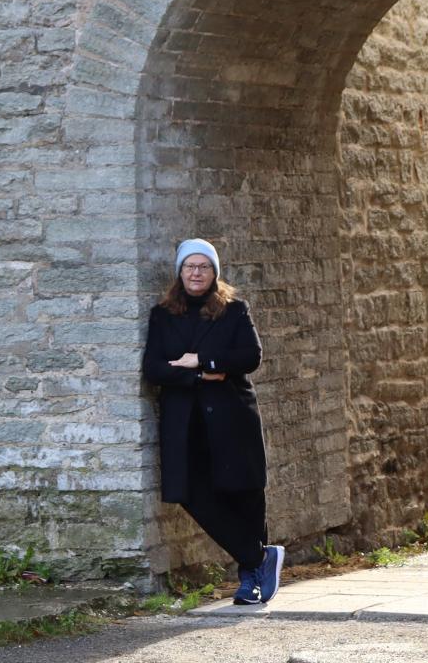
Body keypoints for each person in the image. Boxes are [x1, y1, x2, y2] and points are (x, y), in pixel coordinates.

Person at [142, 238, 284, 604]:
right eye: (190, 266)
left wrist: (202, 358)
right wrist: (199, 375)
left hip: (232, 418)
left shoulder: (234, 311)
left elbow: (250, 356)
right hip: (184, 424)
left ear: (214, 272)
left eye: (204, 267)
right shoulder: (163, 315)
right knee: (189, 492)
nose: (196, 273)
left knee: (244, 495)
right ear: (180, 272)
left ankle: (249, 580)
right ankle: (259, 557)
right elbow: (154, 367)